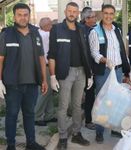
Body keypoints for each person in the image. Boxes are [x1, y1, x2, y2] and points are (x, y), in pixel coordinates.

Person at [0, 3, 48, 150]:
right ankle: (11, 145)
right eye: (19, 15)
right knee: (12, 115)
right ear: (14, 16)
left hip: (32, 82)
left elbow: (41, 57)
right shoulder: (6, 34)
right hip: (13, 84)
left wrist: (44, 79)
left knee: (29, 114)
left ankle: (31, 143)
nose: (23, 17)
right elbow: (0, 58)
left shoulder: (35, 33)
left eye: (25, 14)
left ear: (29, 15)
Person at [48, 2, 93, 149]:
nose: (72, 13)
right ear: (65, 12)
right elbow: (52, 54)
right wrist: (52, 76)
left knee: (77, 105)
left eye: (75, 11)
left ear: (78, 13)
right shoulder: (56, 29)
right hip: (65, 72)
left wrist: (89, 74)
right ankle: (62, 137)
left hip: (81, 72)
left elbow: (87, 53)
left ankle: (76, 133)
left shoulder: (82, 29)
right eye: (70, 11)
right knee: (63, 106)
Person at [88, 4, 131, 144]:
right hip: (104, 71)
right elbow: (94, 53)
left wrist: (128, 69)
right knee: (102, 101)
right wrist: (105, 60)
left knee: (116, 101)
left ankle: (114, 128)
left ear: (114, 15)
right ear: (102, 14)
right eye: (106, 13)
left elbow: (122, 52)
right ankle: (100, 132)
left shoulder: (117, 30)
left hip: (118, 70)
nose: (108, 16)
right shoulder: (95, 31)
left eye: (111, 13)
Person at [35, 17, 57, 126]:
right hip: (46, 66)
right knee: (45, 91)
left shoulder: (39, 33)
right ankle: (37, 116)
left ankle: (49, 115)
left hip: (44, 66)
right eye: (50, 25)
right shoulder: (45, 35)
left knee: (48, 92)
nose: (52, 27)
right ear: (46, 26)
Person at [80, 6, 97, 130]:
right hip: (86, 68)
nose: (95, 19)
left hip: (93, 67)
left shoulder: (92, 29)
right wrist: (89, 71)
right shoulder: (82, 31)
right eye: (93, 17)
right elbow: (85, 52)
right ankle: (88, 120)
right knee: (90, 94)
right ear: (86, 19)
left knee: (92, 94)